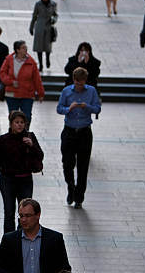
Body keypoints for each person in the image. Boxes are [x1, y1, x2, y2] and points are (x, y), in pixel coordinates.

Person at [0, 111, 44, 233]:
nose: (19, 125)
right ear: (11, 123)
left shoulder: (30, 137)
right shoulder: (3, 140)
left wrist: (32, 145)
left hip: (25, 180)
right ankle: (9, 240)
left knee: (25, 213)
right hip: (8, 180)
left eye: (22, 122)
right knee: (9, 212)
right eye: (17, 122)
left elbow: (40, 156)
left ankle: (22, 237)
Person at [56, 67, 101, 209]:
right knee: (67, 163)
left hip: (84, 132)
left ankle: (79, 197)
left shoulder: (91, 91)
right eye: (77, 83)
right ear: (73, 80)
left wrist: (86, 106)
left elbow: (97, 108)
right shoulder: (67, 91)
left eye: (81, 83)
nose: (79, 86)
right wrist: (69, 109)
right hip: (69, 131)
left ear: (85, 81)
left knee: (83, 165)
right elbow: (59, 108)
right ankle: (70, 186)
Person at [0, 199, 71, 273]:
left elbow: (65, 268)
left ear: (38, 215)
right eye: (21, 216)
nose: (23, 220)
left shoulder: (55, 239)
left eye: (27, 216)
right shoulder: (9, 240)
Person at [0, 40, 44, 127]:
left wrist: (41, 93)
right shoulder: (9, 59)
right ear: (17, 50)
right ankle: (13, 134)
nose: (25, 49)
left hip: (27, 94)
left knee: (27, 116)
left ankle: (25, 134)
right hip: (12, 93)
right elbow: (2, 73)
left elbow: (37, 79)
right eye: (23, 47)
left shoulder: (31, 62)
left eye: (25, 47)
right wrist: (10, 82)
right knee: (13, 116)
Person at [29, 0, 58, 71]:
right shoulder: (38, 4)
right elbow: (34, 16)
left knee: (48, 46)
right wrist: (31, 27)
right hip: (40, 27)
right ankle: (41, 64)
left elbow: (55, 15)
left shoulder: (53, 4)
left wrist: (54, 20)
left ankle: (48, 59)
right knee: (39, 47)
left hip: (49, 27)